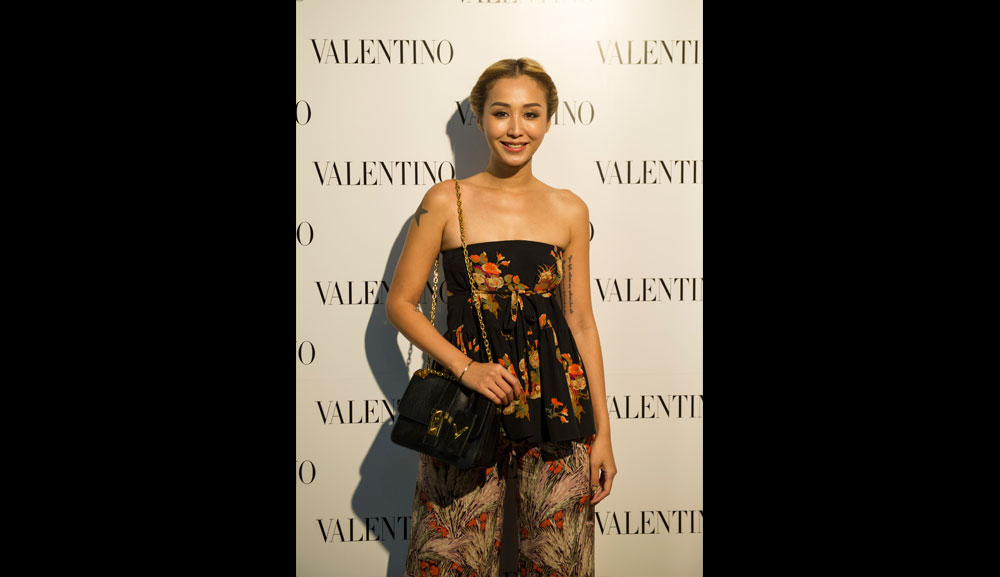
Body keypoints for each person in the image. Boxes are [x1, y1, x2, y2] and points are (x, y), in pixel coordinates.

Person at [386, 57, 617, 577]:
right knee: (448, 560)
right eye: (501, 113)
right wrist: (467, 369)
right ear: (480, 118)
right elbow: (401, 303)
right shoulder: (446, 200)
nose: (516, 129)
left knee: (559, 564)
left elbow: (580, 323)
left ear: (548, 120)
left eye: (530, 114)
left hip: (557, 408)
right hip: (465, 404)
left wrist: (602, 433)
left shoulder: (569, 209)